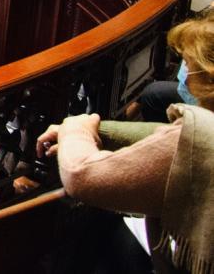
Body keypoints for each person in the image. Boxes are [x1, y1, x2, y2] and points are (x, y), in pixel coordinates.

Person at [36, 14, 214, 274]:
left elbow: (81, 176)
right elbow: (165, 135)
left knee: (94, 217)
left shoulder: (198, 138)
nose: (182, 78)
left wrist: (76, 128)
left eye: (188, 65)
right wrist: (101, 130)